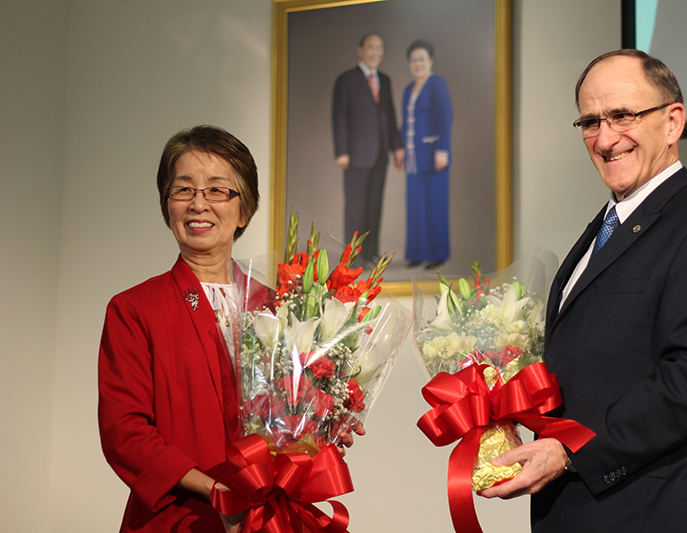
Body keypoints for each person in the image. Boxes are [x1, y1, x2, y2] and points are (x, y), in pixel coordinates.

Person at [479, 50, 687, 532]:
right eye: (590, 121)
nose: (605, 139)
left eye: (622, 115)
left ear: (672, 122)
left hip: (655, 515)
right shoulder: (604, 228)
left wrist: (570, 450)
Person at [98, 125, 362, 533]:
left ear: (243, 210)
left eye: (217, 190)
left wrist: (328, 422)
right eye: (183, 190)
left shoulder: (282, 308)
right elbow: (124, 431)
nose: (198, 204)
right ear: (167, 205)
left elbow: (300, 408)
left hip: (272, 515)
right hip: (181, 517)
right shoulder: (135, 309)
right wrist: (216, 491)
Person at [332, 33, 404, 265]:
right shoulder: (346, 80)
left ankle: (371, 252)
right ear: (361, 50)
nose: (376, 53)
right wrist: (342, 151)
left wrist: (397, 147)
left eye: (380, 48)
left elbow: (389, 116)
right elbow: (339, 116)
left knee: (374, 206)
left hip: (380, 154)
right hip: (355, 155)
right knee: (356, 207)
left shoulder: (385, 79)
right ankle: (353, 255)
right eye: (371, 48)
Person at [401, 39, 454, 269]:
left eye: (422, 59)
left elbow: (446, 116)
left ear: (430, 60)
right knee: (415, 207)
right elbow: (404, 124)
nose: (418, 64)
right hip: (413, 158)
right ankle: (417, 253)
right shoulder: (407, 90)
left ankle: (437, 254)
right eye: (414, 60)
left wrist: (443, 150)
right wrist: (400, 149)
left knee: (435, 205)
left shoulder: (437, 83)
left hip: (434, 156)